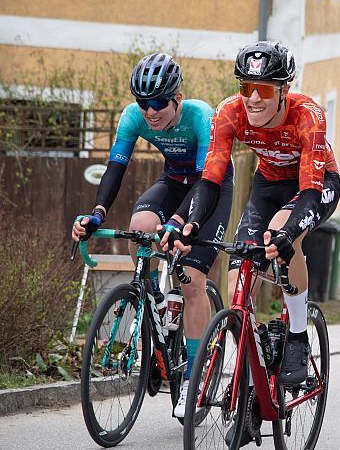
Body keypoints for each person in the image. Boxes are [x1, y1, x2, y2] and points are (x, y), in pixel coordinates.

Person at [71, 52, 234, 418]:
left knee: (191, 280)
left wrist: (179, 221)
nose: (151, 111)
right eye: (144, 103)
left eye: (159, 102)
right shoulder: (134, 118)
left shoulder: (201, 116)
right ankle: (155, 299)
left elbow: (207, 182)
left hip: (211, 188)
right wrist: (97, 214)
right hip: (175, 182)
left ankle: (194, 374)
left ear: (178, 97)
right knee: (140, 230)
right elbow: (115, 168)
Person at [171, 41, 340, 391]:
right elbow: (211, 179)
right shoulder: (229, 112)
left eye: (263, 89)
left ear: (284, 91)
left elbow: (309, 190)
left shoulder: (307, 115)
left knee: (283, 234)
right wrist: (191, 224)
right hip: (267, 184)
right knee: (237, 281)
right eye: (246, 87)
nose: (253, 99)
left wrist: (288, 232)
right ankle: (253, 368)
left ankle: (297, 337)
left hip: (315, 184)